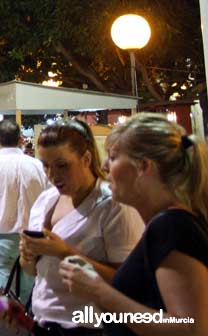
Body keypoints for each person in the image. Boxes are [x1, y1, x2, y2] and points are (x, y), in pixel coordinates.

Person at [60, 113, 208, 335]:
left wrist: (100, 292)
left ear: (144, 166)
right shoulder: (167, 223)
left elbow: (189, 329)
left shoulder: (172, 226)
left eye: (113, 156)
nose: (105, 166)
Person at [3, 119, 145, 336]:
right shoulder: (45, 200)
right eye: (46, 165)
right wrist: (28, 255)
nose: (52, 175)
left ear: (86, 158)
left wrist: (65, 253)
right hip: (41, 321)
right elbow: (35, 272)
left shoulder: (113, 205)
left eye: (62, 165)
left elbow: (129, 280)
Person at [0, 119, 49, 299]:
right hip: (33, 238)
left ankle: (6, 317)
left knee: (3, 294)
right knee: (30, 292)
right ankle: (31, 321)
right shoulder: (37, 166)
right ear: (21, 139)